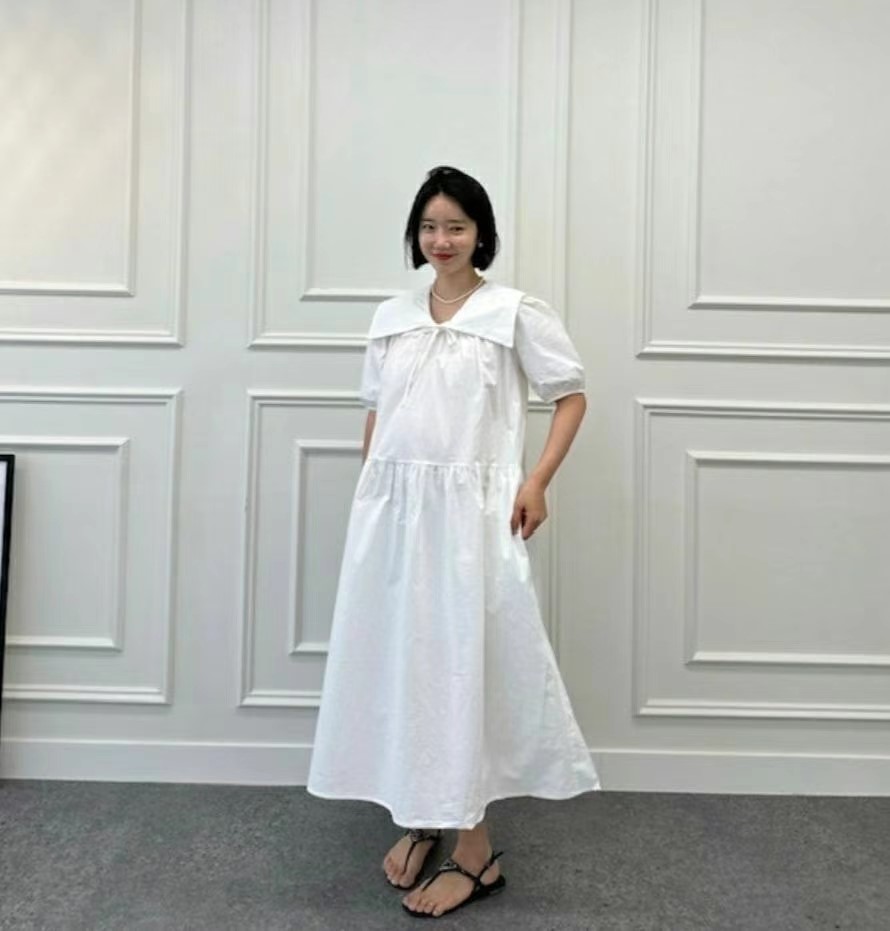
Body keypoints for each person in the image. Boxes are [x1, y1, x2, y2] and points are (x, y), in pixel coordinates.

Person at [306, 165, 600, 919]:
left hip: (471, 519)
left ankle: (477, 852)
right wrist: (372, 495)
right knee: (401, 661)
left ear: (480, 234)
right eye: (430, 227)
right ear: (417, 234)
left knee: (461, 666)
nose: (442, 240)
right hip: (393, 514)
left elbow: (571, 396)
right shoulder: (393, 315)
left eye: (457, 227)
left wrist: (536, 481)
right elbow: (379, 411)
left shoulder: (513, 313)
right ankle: (422, 814)